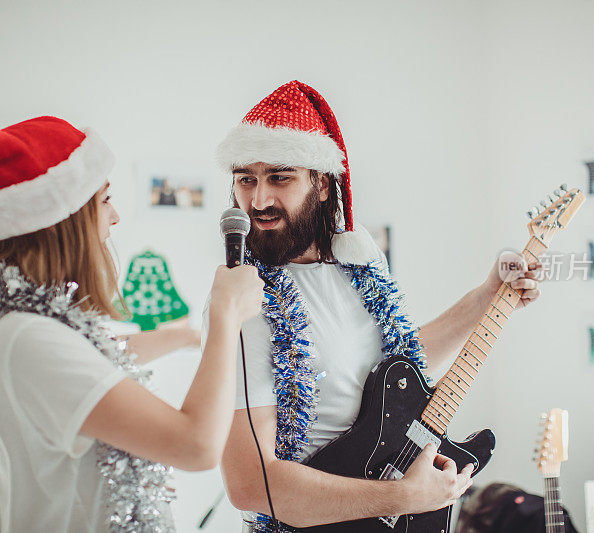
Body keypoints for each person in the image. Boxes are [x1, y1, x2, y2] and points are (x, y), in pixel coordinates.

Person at [210, 80, 543, 531]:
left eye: (280, 177)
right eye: (246, 180)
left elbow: (395, 368)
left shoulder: (357, 259)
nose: (259, 200)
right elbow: (251, 484)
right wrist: (403, 495)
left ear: (322, 184)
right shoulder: (244, 298)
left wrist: (488, 296)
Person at [0, 116, 264, 532]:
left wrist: (187, 336)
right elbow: (196, 445)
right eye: (104, 199)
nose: (114, 218)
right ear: (66, 219)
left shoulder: (21, 326)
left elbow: (98, 358)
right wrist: (225, 314)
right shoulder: (28, 338)